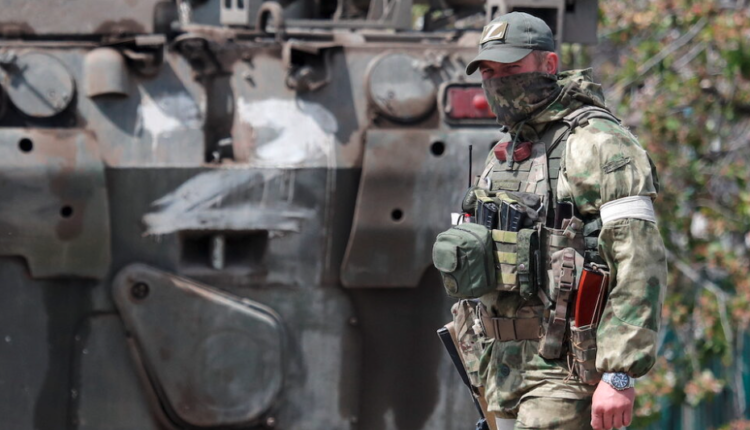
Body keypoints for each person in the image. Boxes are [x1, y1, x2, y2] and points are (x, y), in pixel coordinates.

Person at [459, 11, 667, 430]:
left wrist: (620, 373)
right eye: (489, 72)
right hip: (499, 371)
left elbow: (639, 260)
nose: (499, 81)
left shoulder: (600, 143)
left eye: (512, 68)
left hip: (564, 373)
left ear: (549, 65)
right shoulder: (504, 154)